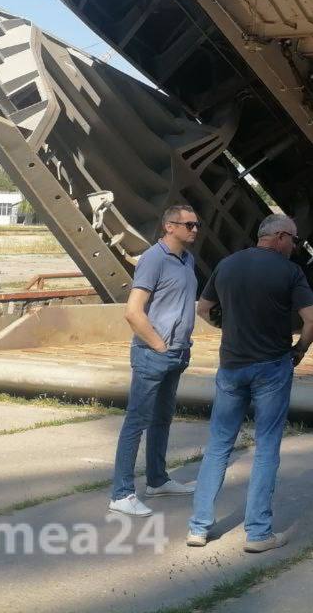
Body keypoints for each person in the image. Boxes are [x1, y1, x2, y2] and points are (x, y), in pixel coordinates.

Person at [187, 214, 313, 553]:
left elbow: (203, 308)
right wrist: (300, 350)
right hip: (271, 369)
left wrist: (229, 328)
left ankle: (199, 527)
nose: (295, 246)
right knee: (266, 449)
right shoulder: (289, 272)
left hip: (231, 366)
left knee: (219, 446)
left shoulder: (228, 264)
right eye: (293, 240)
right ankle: (258, 533)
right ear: (278, 237)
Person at [108, 204, 201, 517]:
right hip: (154, 354)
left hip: (178, 353)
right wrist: (159, 346)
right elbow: (133, 311)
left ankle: (158, 480)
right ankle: (121, 494)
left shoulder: (188, 260)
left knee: (163, 418)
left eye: (196, 224)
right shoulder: (153, 259)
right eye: (189, 225)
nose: (195, 230)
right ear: (170, 227)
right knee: (137, 421)